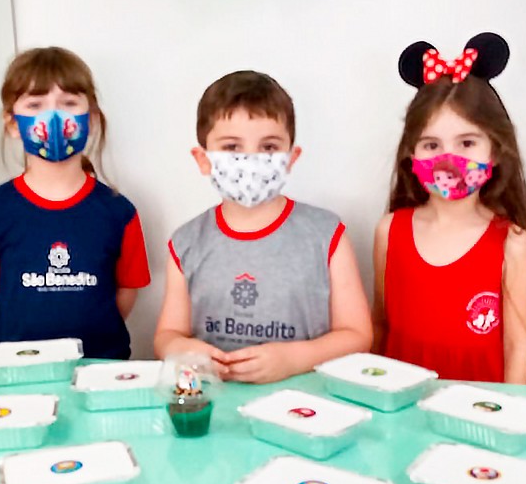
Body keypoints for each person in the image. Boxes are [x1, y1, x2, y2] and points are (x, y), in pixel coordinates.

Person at [153, 71, 371, 383]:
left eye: (268, 147)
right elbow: (167, 335)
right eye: (232, 147)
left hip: (306, 401)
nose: (251, 160)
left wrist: (293, 359)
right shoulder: (186, 242)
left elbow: (357, 335)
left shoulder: (326, 235)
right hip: (214, 401)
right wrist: (184, 349)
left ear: (291, 158)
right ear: (203, 159)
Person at [0, 47, 150, 359]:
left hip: (100, 366)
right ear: (12, 124)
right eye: (35, 105)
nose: (54, 116)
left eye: (69, 103)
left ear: (91, 118)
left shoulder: (119, 212)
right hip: (18, 366)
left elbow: (127, 292)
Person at [373, 33, 526, 382]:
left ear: (495, 150)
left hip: (478, 409)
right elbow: (380, 327)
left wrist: (510, 412)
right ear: (411, 153)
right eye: (431, 145)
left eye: (467, 142)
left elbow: (519, 348)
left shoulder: (512, 242)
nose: (448, 159)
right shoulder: (390, 231)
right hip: (401, 406)